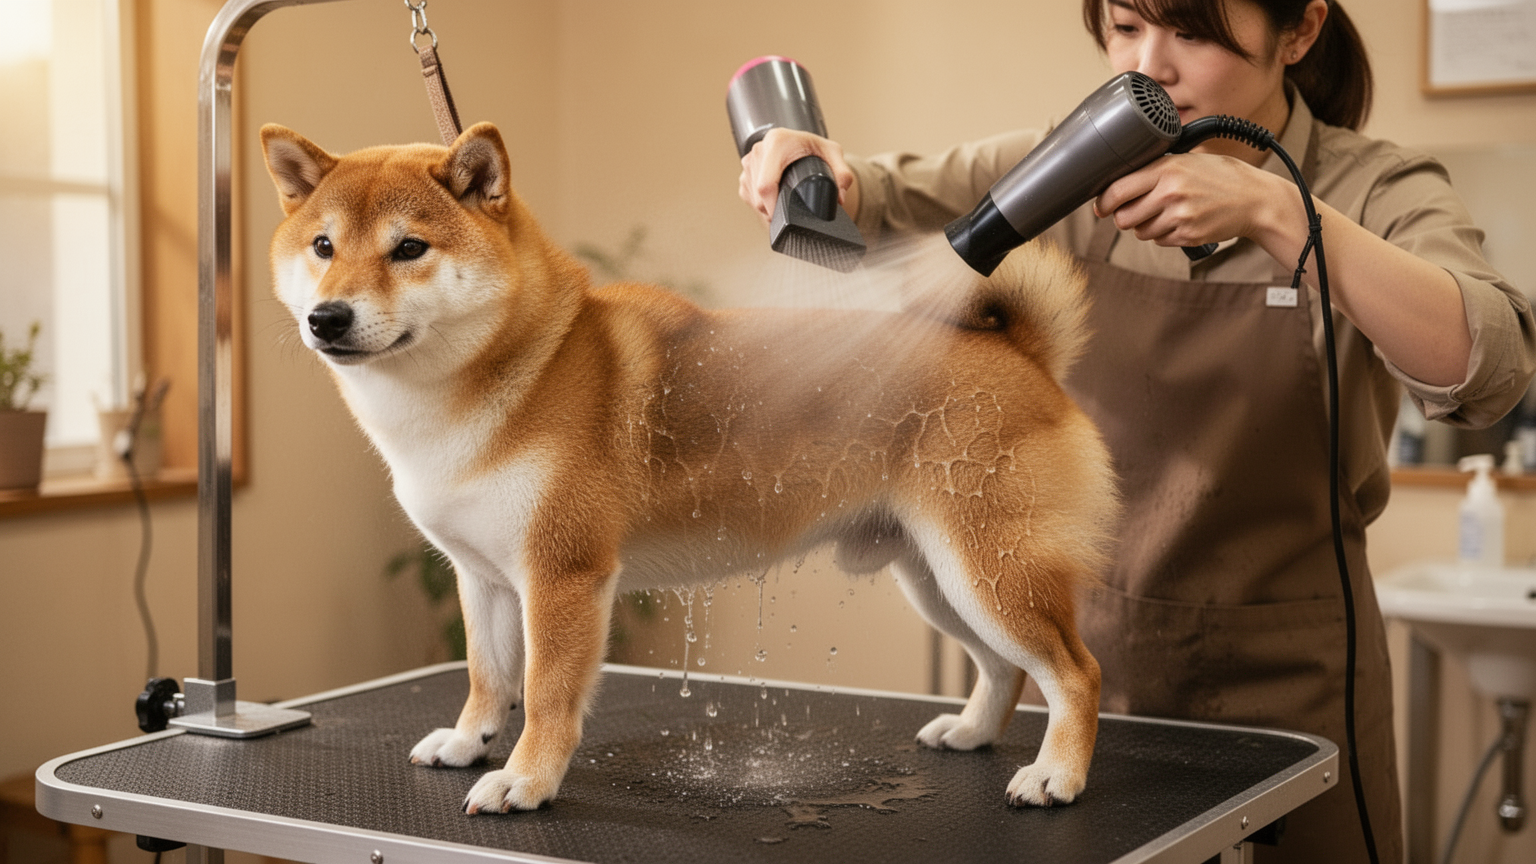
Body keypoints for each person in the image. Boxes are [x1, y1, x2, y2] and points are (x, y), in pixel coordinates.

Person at [737, 1, 1535, 861]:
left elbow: (1490, 367)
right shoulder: (1071, 165)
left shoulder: (1375, 187)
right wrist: (811, 166)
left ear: (1298, 32)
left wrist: (1277, 210)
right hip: (1091, 679)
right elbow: (874, 199)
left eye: (1190, 32)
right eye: (1123, 27)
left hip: (1297, 701)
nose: (1147, 64)